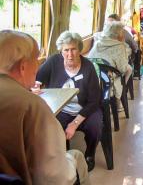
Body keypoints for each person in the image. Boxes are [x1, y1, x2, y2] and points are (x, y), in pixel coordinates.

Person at [0, 30, 90, 184]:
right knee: (76, 156)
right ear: (23, 67)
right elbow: (54, 176)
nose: (38, 66)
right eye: (36, 60)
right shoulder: (33, 107)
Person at [36, 31, 102, 172]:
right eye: (66, 50)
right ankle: (65, 157)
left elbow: (94, 101)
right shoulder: (54, 61)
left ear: (79, 49)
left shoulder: (88, 67)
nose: (70, 54)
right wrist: (36, 85)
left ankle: (90, 154)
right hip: (62, 108)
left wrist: (75, 123)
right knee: (54, 126)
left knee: (95, 126)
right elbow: (37, 77)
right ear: (61, 50)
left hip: (86, 109)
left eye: (73, 49)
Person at [88, 21, 132, 104]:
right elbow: (122, 69)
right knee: (128, 69)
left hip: (92, 78)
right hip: (106, 81)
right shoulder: (119, 46)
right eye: (123, 32)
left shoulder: (98, 42)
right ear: (118, 34)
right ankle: (118, 100)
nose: (124, 34)